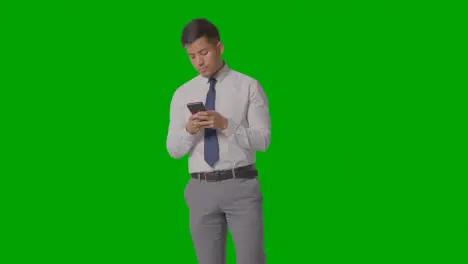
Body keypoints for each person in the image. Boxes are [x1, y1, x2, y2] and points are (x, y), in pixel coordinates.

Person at [166, 18, 271, 264]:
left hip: (241, 185)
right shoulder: (182, 94)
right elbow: (173, 150)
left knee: (251, 260)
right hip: (200, 189)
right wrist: (190, 130)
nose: (199, 62)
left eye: (204, 52)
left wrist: (226, 125)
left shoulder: (248, 86)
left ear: (219, 48)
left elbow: (263, 140)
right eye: (191, 56)